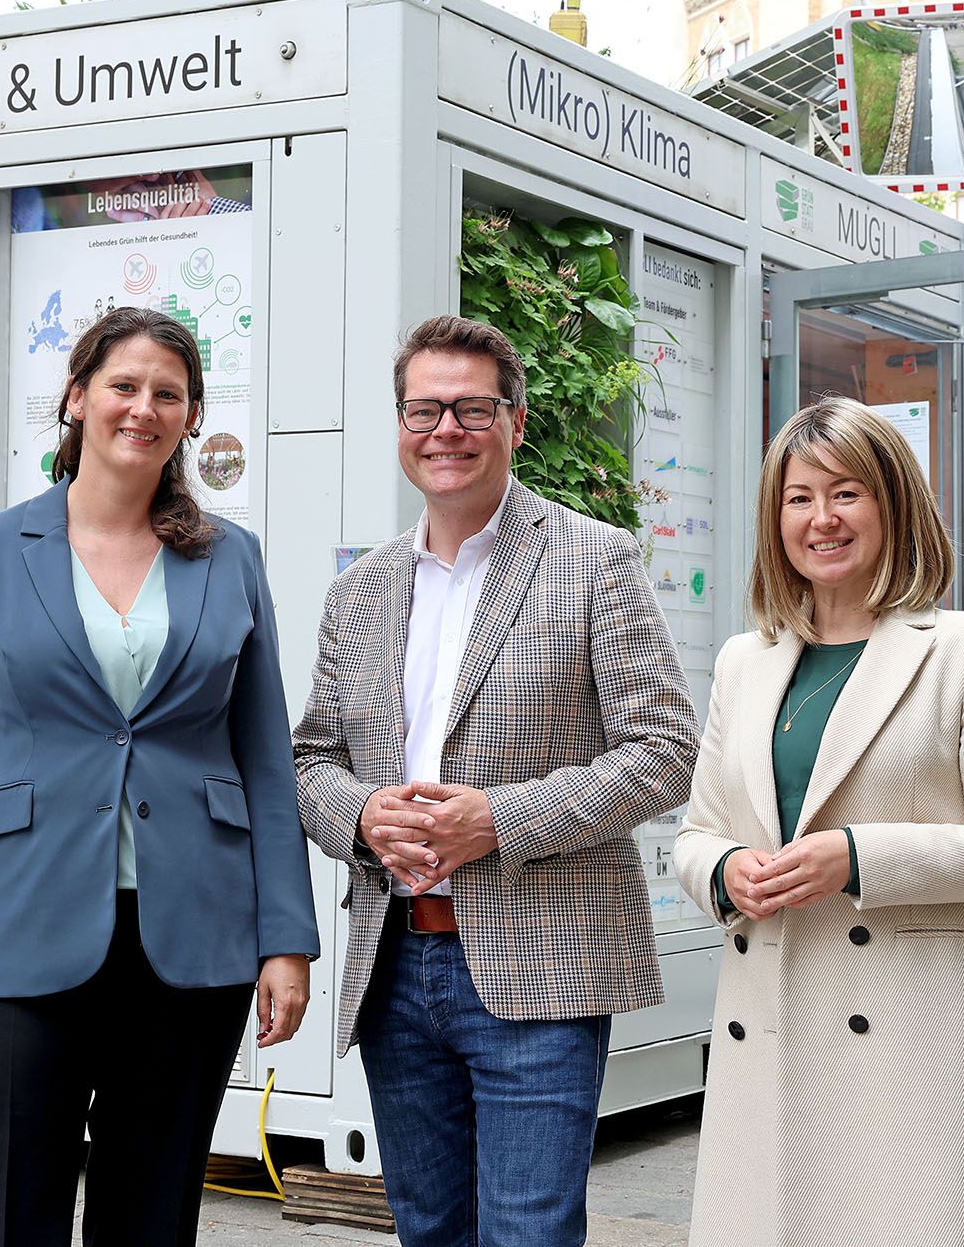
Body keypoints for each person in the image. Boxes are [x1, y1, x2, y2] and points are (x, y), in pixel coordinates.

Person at [0, 306, 319, 1247]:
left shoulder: (231, 558)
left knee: (152, 1217)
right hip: (16, 930)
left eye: (169, 393)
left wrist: (287, 936)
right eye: (124, 385)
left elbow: (265, 760)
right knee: (2, 1216)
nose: (143, 407)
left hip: (191, 934)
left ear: (191, 417)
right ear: (77, 397)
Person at [292, 315, 699, 1247]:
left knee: (528, 1232)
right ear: (400, 426)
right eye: (425, 409)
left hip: (540, 968)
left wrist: (499, 819)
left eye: (472, 408)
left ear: (514, 422)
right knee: (427, 1228)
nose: (447, 429)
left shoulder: (595, 558)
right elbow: (309, 758)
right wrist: (361, 814)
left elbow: (666, 748)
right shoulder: (361, 589)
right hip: (394, 965)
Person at [673, 396, 964, 1247]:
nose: (821, 519)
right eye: (798, 497)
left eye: (846, 493)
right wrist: (725, 869)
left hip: (904, 1029)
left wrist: (854, 858)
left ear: (894, 504)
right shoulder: (747, 660)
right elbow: (697, 830)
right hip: (765, 1011)